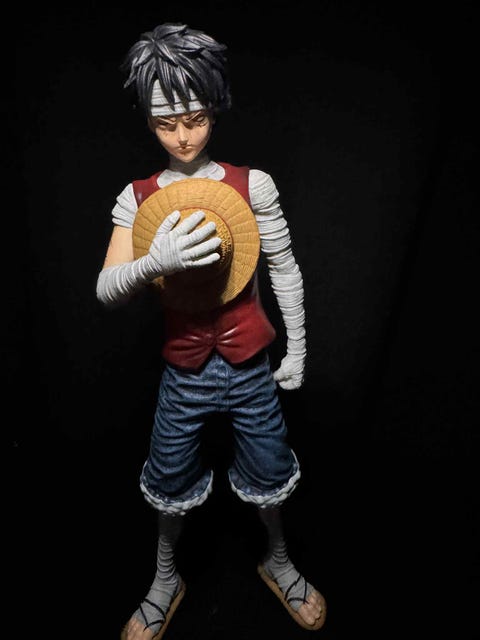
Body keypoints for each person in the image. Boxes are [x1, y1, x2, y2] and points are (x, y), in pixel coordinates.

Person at [96, 22, 326, 640]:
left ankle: (278, 559)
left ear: (215, 109)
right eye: (166, 123)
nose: (183, 135)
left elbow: (284, 267)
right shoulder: (138, 196)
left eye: (195, 118)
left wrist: (298, 348)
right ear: (148, 122)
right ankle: (165, 576)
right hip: (184, 368)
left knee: (271, 472)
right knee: (168, 477)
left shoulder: (254, 185)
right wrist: (152, 262)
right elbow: (107, 288)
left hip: (251, 363)